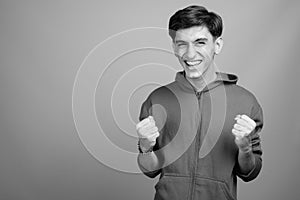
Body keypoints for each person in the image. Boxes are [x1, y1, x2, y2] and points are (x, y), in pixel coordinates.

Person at [136, 5, 263, 200]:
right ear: (174, 48)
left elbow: (250, 173)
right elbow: (150, 170)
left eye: (200, 42)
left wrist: (245, 148)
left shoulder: (245, 102)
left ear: (217, 45)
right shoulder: (157, 99)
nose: (190, 54)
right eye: (182, 44)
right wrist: (145, 148)